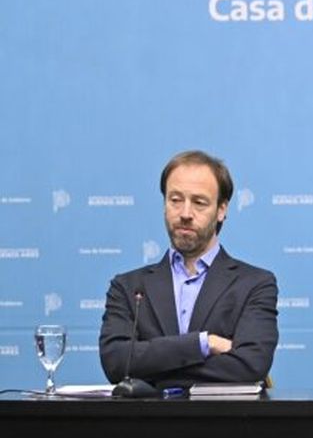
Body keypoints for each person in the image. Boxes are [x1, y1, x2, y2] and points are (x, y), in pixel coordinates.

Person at [99, 150, 278, 386]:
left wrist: (153, 369)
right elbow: (117, 363)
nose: (185, 213)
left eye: (199, 202)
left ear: (221, 210)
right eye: (175, 200)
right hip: (146, 423)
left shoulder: (254, 284)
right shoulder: (127, 287)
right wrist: (205, 343)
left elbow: (250, 366)